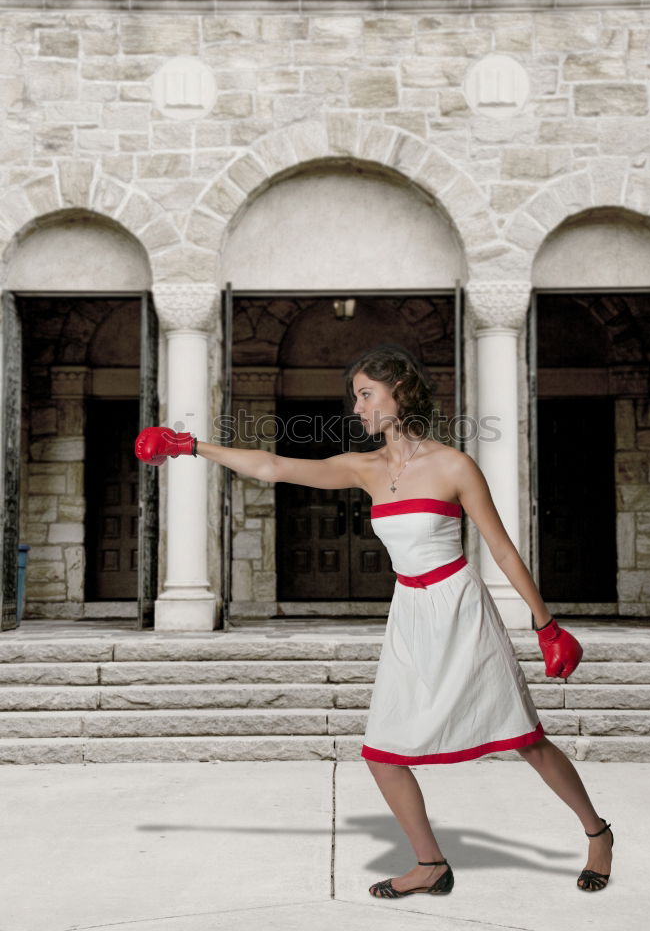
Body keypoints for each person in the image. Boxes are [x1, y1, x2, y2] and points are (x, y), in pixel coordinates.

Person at [134, 342, 614, 899]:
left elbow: (502, 550)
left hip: (461, 608)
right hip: (409, 613)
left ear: (401, 391)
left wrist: (546, 624)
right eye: (355, 397)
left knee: (525, 739)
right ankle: (430, 864)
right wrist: (190, 446)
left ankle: (597, 833)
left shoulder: (453, 465)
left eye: (366, 394)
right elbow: (273, 465)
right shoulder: (363, 467)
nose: (357, 408)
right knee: (382, 753)